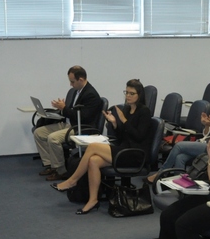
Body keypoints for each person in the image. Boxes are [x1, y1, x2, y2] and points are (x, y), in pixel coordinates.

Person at [54, 79, 153, 214]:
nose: (128, 96)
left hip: (135, 155)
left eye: (132, 93)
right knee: (93, 161)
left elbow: (139, 136)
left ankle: (72, 180)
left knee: (93, 147)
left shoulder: (144, 112)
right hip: (124, 148)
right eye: (126, 92)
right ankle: (93, 200)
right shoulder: (127, 109)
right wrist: (114, 124)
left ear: (139, 95)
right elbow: (122, 136)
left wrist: (123, 120)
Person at [150, 81, 210, 180]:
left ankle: (160, 173)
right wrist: (206, 125)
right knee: (180, 158)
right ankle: (179, 184)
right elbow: (206, 134)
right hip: (205, 142)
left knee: (179, 146)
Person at [35, 65, 102, 181]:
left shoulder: (91, 95)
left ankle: (61, 171)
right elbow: (71, 111)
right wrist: (61, 109)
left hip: (80, 128)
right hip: (70, 123)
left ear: (81, 79)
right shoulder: (76, 91)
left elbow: (83, 117)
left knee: (53, 138)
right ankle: (50, 164)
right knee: (38, 133)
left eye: (72, 81)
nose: (71, 84)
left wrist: (64, 108)